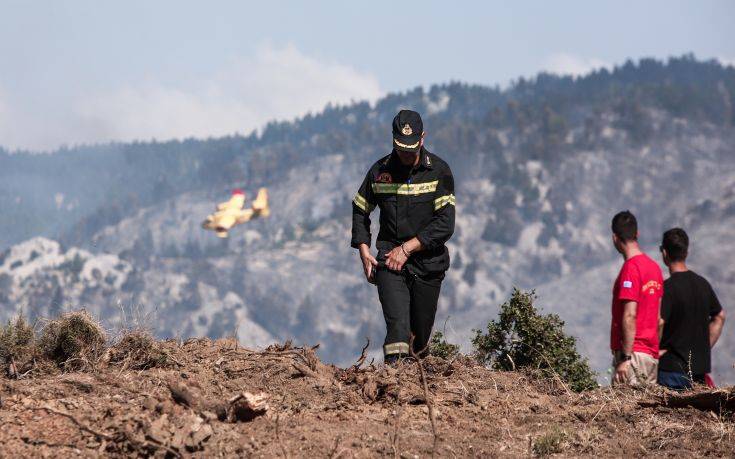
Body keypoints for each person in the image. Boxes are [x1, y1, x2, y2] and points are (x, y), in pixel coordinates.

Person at [351, 110, 455, 363]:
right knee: (397, 329)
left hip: (428, 264)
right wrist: (364, 250)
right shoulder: (379, 171)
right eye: (400, 148)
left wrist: (408, 248)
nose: (406, 154)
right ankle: (393, 383)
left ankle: (416, 391)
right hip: (390, 260)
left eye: (411, 148)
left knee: (418, 343)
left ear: (422, 138)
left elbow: (445, 224)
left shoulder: (438, 171)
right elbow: (360, 208)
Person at [657, 228, 726, 390]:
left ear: (665, 253)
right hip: (698, 372)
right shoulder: (703, 284)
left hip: (670, 370)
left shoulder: (667, 288)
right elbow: (720, 316)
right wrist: (704, 346)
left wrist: (655, 352)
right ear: (686, 252)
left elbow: (659, 322)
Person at [609, 211, 664, 385]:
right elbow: (658, 320)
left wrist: (625, 358)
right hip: (650, 357)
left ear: (615, 238)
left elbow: (629, 315)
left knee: (622, 410)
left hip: (632, 356)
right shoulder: (655, 268)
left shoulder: (631, 269)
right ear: (637, 234)